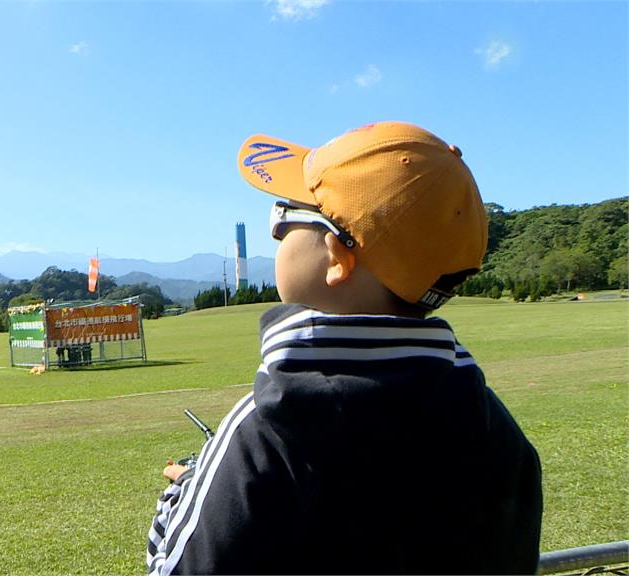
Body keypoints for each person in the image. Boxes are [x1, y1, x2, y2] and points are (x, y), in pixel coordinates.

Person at [146, 122, 543, 575]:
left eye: (284, 216)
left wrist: (190, 493)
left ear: (337, 255)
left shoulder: (266, 428)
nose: (276, 234)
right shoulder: (500, 434)